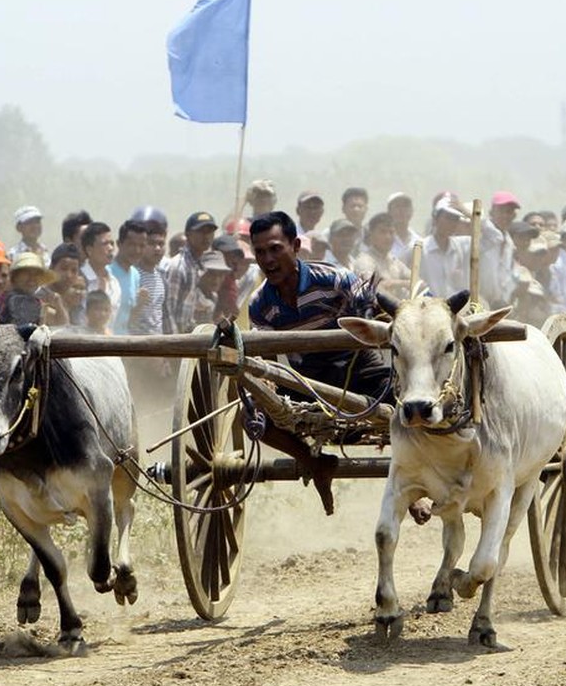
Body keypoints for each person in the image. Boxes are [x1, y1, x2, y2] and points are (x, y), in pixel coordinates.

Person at [248, 210, 391, 513]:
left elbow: (368, 307)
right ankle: (315, 462)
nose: (268, 259)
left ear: (295, 246)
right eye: (260, 252)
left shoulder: (334, 279)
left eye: (275, 249)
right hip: (307, 379)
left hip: (356, 365)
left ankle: (413, 483)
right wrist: (264, 391)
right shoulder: (260, 305)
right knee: (252, 416)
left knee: (407, 406)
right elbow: (268, 363)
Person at [165, 212, 217, 334]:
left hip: (188, 337)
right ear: (188, 234)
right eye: (201, 231)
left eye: (210, 232)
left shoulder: (199, 266)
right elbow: (168, 310)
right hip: (177, 341)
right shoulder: (179, 266)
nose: (206, 236)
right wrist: (174, 345)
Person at [419, 196, 471, 298]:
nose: (451, 223)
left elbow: (494, 237)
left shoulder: (461, 245)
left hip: (455, 309)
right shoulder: (420, 248)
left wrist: (467, 212)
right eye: (447, 218)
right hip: (429, 310)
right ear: (435, 219)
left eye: (455, 219)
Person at [354, 212, 410, 298]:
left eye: (391, 232)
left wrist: (396, 284)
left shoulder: (393, 260)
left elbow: (417, 282)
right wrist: (401, 283)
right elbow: (370, 288)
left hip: (397, 309)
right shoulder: (364, 261)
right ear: (371, 235)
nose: (388, 237)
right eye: (382, 232)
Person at [109, 221, 146, 335]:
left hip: (124, 341)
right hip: (104, 341)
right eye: (132, 245)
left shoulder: (135, 275)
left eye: (141, 246)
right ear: (119, 244)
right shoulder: (107, 272)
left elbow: (128, 320)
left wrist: (140, 304)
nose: (137, 250)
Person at [0, 252, 57, 325]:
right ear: (15, 276)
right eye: (26, 273)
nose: (32, 278)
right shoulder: (16, 299)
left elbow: (60, 322)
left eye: (36, 274)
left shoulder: (34, 301)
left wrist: (58, 303)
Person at [79, 222, 121, 319]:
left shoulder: (114, 283)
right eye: (105, 244)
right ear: (89, 250)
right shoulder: (78, 279)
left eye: (112, 243)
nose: (111, 248)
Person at [386, 193, 421, 261]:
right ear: (389, 212)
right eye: (397, 206)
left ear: (412, 212)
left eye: (405, 206)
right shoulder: (381, 240)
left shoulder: (418, 241)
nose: (401, 210)